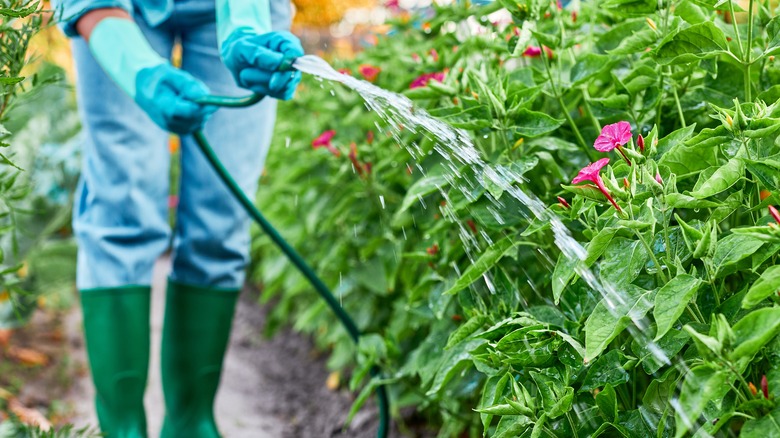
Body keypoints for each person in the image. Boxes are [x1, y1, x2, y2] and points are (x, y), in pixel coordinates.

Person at [52, 0, 302, 435]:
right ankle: (122, 427)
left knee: (221, 220)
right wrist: (137, 70)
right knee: (121, 213)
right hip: (116, 11)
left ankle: (191, 424)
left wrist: (247, 27)